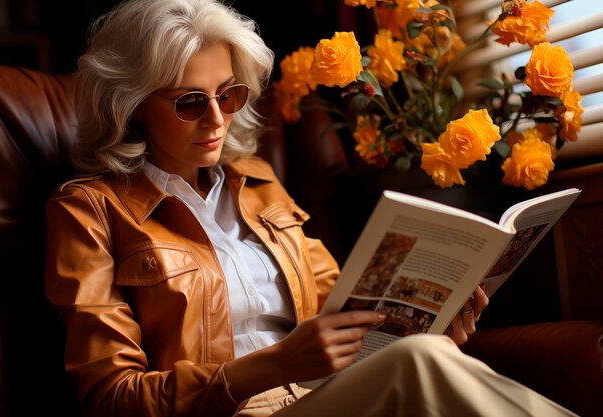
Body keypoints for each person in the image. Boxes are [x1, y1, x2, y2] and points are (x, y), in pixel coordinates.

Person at [43, 1, 577, 416]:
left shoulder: (258, 183)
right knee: (423, 363)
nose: (216, 119)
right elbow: (113, 401)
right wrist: (270, 366)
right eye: (189, 101)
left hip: (332, 396)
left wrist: (434, 323)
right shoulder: (90, 211)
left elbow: (346, 316)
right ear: (132, 105)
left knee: (429, 353)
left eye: (228, 95)